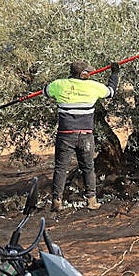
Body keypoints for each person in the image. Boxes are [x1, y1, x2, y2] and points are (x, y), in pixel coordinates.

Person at [43, 59, 119, 212]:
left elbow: (46, 91)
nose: (90, 73)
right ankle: (91, 201)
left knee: (60, 168)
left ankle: (56, 202)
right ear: (83, 74)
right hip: (85, 135)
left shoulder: (59, 85)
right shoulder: (93, 87)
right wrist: (115, 74)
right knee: (88, 168)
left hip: (65, 135)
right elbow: (111, 92)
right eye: (88, 72)